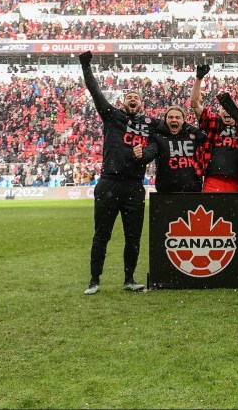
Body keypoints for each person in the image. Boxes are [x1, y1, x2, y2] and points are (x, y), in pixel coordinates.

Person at [78, 50, 155, 295]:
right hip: (109, 183)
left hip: (134, 186)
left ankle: (129, 278)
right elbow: (95, 92)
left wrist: (149, 152)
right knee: (102, 235)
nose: (133, 99)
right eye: (129, 96)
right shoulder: (112, 116)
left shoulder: (150, 124)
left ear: (142, 103)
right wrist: (86, 66)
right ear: (123, 102)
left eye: (137, 97)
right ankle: (94, 280)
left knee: (133, 237)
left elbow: (160, 142)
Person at [190, 63, 238, 192]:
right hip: (212, 177)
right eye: (224, 108)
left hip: (235, 179)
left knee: (232, 212)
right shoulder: (213, 121)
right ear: (219, 111)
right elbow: (194, 104)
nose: (227, 111)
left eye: (231, 109)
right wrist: (199, 78)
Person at [135, 106, 207, 194]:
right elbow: (150, 153)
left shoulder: (193, 136)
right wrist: (142, 154)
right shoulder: (158, 137)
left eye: (177, 117)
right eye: (170, 117)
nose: (174, 120)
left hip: (192, 190)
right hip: (166, 191)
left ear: (183, 120)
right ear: (165, 120)